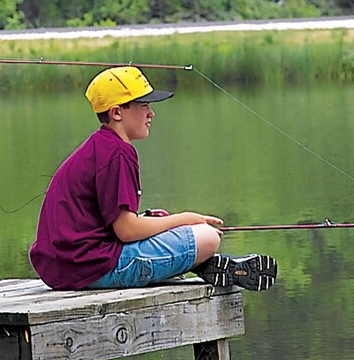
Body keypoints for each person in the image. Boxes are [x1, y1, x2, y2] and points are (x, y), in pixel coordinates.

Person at [29, 66, 277, 291]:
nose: (151, 113)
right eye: (143, 105)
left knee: (170, 225)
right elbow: (126, 231)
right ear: (117, 112)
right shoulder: (118, 152)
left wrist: (157, 222)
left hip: (63, 269)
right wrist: (186, 219)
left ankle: (199, 264)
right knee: (207, 237)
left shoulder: (99, 146)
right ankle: (201, 261)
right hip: (92, 268)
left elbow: (114, 226)